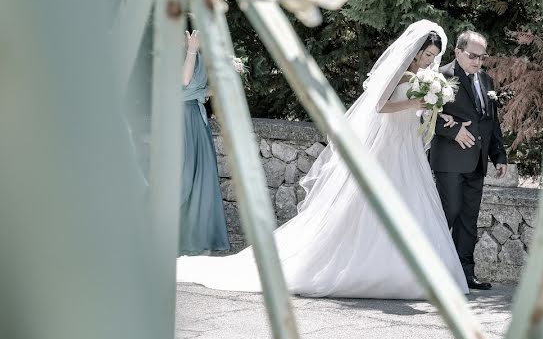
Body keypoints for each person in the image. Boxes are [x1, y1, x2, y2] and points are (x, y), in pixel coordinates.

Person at [177, 20, 469, 298]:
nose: (432, 61)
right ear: (416, 51)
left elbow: (414, 111)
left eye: (434, 56)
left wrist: (430, 107)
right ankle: (367, 268)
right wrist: (414, 102)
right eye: (428, 55)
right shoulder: (399, 71)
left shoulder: (424, 76)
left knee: (413, 203)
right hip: (388, 146)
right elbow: (380, 105)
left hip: (408, 146)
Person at [430, 31, 508, 290]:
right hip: (449, 161)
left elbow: (490, 121)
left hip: (477, 162)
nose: (478, 61)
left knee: (468, 219)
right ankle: (434, 271)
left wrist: (499, 155)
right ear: (458, 52)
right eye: (472, 56)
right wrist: (453, 130)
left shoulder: (487, 80)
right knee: (447, 213)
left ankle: (465, 274)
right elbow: (425, 114)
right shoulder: (440, 77)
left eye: (482, 57)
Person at [179, 29, 230, 255]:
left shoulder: (196, 55)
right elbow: (184, 80)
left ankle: (200, 236)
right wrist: (191, 50)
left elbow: (201, 90)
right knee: (184, 176)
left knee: (204, 176)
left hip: (197, 119)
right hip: (180, 118)